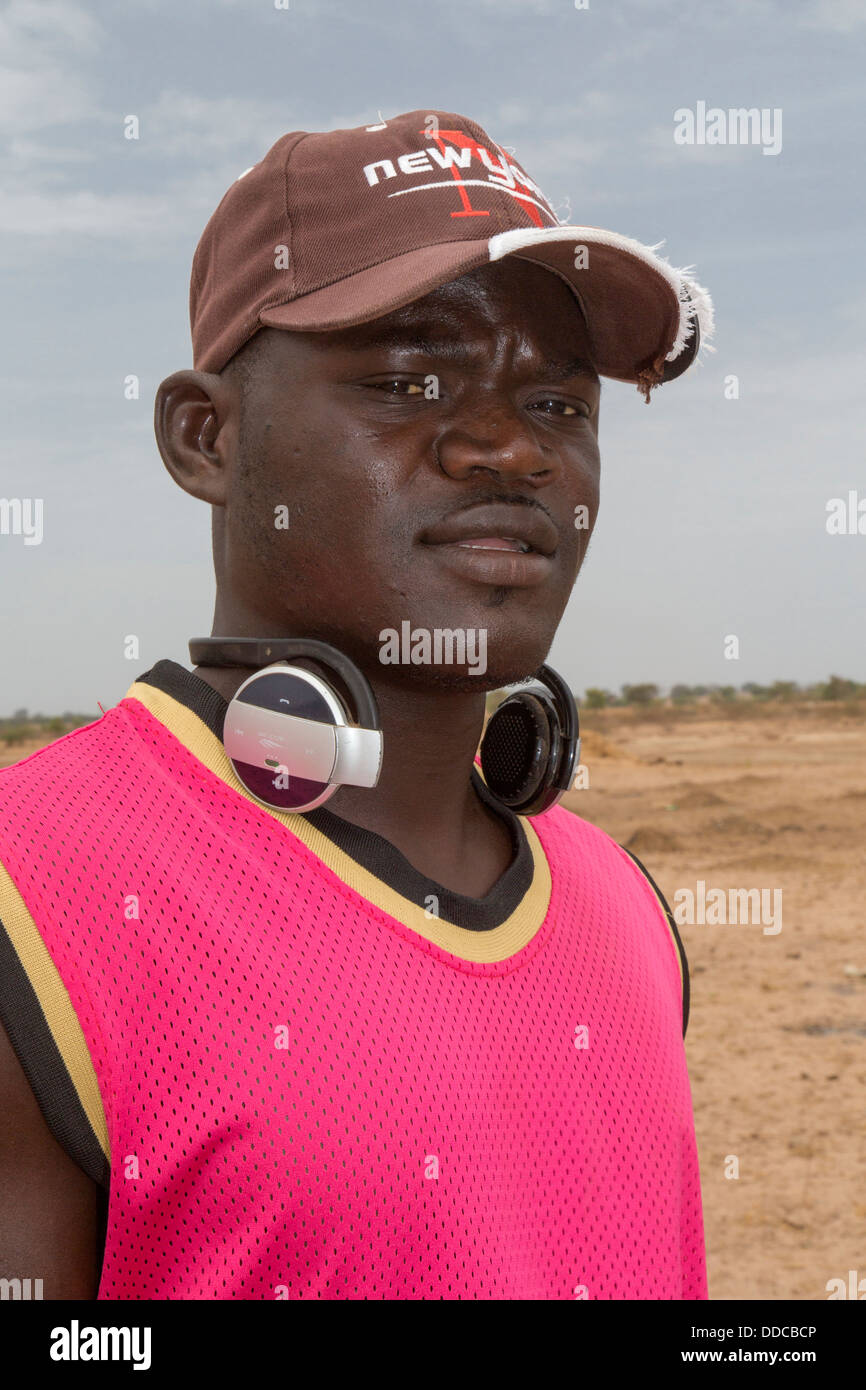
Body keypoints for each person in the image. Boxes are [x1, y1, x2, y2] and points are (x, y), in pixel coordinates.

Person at [0, 109, 712, 1299]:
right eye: (405, 379)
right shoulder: (32, 898)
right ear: (203, 438)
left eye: (557, 406)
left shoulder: (621, 906)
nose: (508, 451)